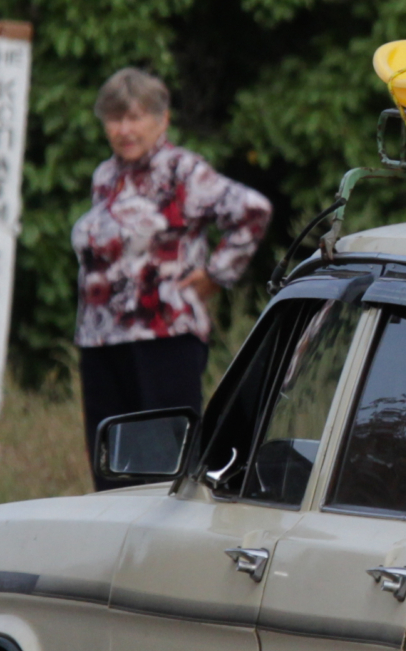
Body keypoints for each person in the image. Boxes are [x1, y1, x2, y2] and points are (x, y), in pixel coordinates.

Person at [71, 68, 271, 483]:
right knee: (110, 466)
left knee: (163, 466)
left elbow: (253, 211)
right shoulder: (105, 177)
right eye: (114, 118)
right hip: (101, 341)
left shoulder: (183, 171)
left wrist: (216, 274)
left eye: (136, 117)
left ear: (162, 120)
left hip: (163, 337)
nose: (124, 129)